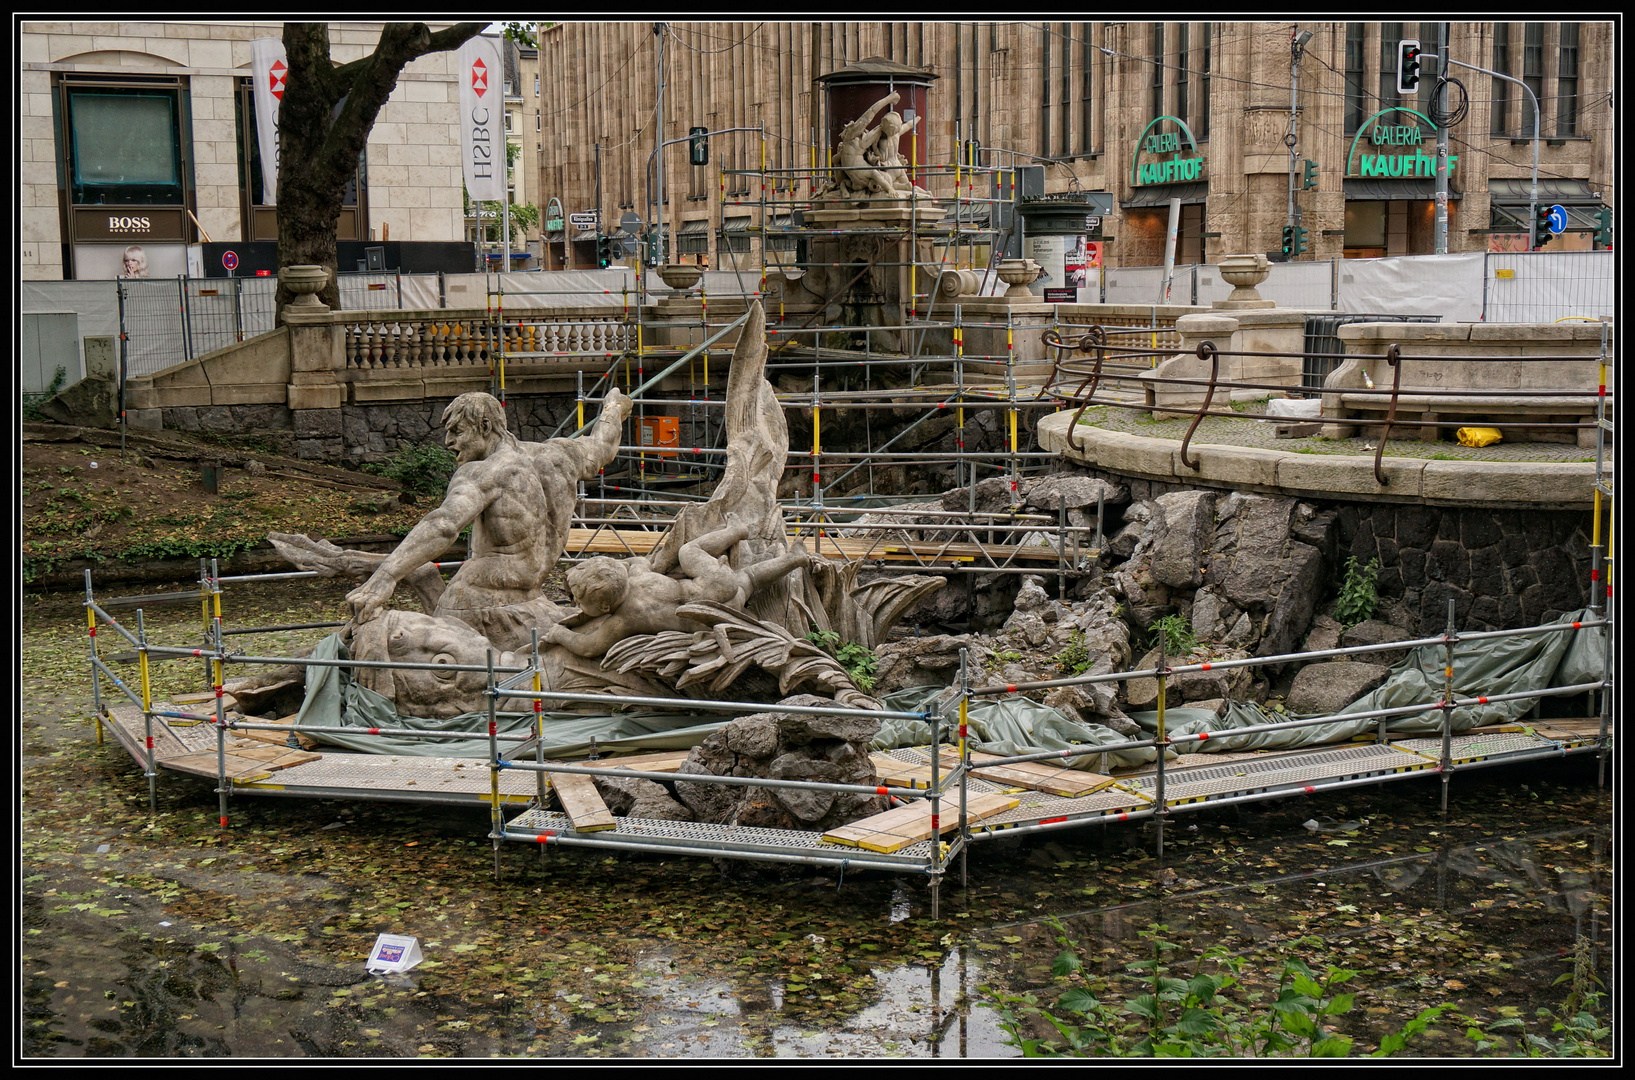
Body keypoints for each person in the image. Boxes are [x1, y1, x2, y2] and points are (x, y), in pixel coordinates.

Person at [275, 387, 631, 650]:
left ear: (486, 426)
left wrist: (384, 578)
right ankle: (355, 567)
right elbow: (603, 447)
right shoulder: (558, 454)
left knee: (366, 649)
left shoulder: (483, 473)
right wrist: (614, 408)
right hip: (530, 596)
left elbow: (443, 524)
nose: (448, 442)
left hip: (473, 605)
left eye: (456, 431)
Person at [543, 515, 816, 659]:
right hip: (716, 589)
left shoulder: (622, 620)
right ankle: (791, 558)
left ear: (604, 606)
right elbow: (638, 561)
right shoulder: (637, 575)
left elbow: (589, 647)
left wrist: (559, 634)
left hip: (712, 616)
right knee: (698, 555)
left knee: (741, 573)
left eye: (580, 602)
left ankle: (742, 532)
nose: (577, 606)